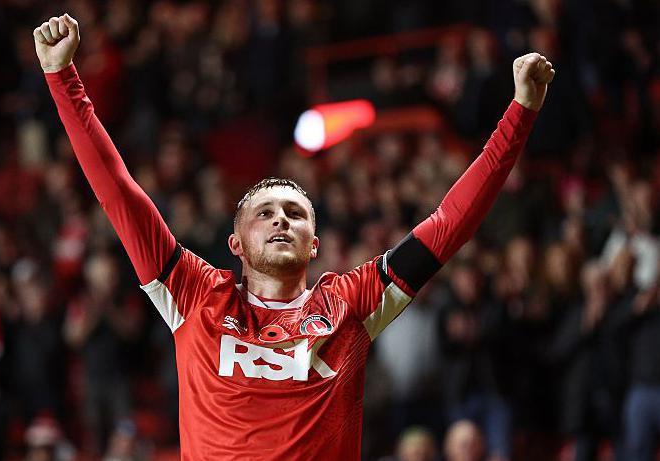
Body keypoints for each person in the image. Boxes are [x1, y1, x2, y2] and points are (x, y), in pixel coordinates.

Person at [34, 13, 554, 460]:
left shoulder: (350, 305)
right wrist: (63, 78)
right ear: (235, 244)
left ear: (315, 244)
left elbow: (447, 225)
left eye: (295, 213)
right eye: (264, 212)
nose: (281, 219)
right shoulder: (195, 296)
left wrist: (520, 112)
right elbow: (119, 192)